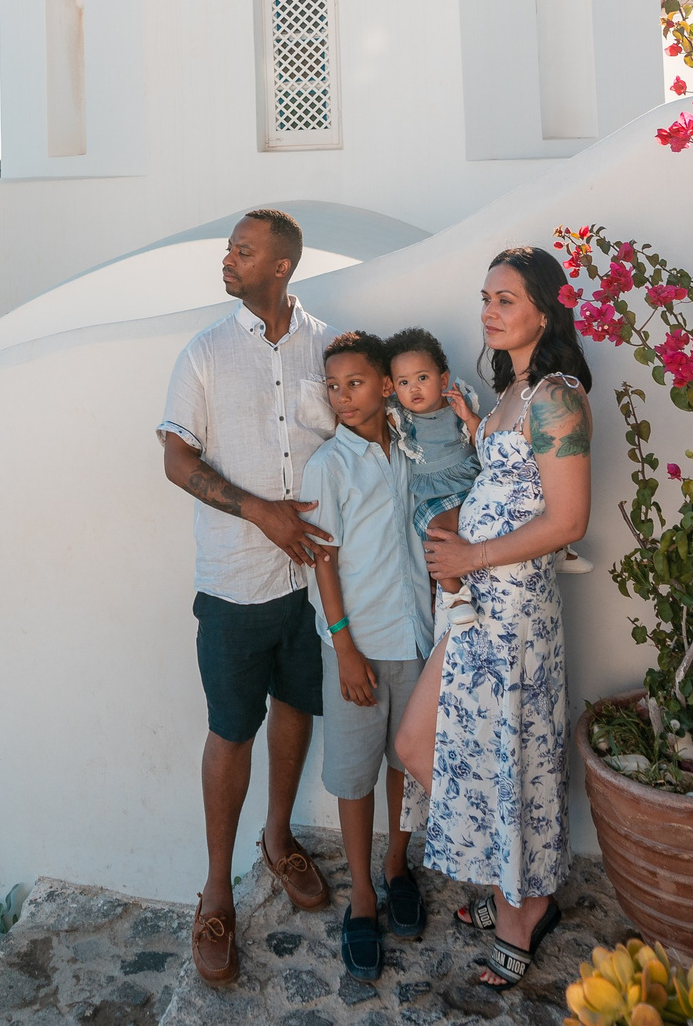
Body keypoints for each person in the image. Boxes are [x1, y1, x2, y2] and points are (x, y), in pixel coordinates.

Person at [395, 245, 593, 993]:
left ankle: (523, 909)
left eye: (506, 298)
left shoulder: (557, 396)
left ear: (546, 308)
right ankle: (511, 881)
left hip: (513, 611)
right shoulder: (513, 391)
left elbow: (567, 518)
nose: (489, 310)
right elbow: (515, 474)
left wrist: (470, 556)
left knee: (509, 760)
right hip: (479, 609)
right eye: (485, 297)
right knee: (423, 744)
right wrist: (477, 431)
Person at [157, 208, 336, 986]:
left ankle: (279, 838)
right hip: (234, 582)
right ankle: (215, 890)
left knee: (297, 707)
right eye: (230, 248)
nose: (227, 259)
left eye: (243, 249)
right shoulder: (204, 352)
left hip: (315, 579)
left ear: (282, 265)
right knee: (232, 728)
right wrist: (257, 508)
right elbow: (173, 455)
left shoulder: (329, 347)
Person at [298, 331, 437, 977]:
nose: (342, 396)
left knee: (406, 761)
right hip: (356, 646)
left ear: (386, 385)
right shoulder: (330, 466)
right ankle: (361, 893)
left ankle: (395, 864)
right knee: (355, 774)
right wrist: (345, 646)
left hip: (415, 638)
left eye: (355, 382)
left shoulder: (412, 446)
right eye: (334, 385)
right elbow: (322, 560)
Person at [384, 328, 482, 624]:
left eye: (422, 378)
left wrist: (469, 417)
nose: (413, 388)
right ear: (392, 387)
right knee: (436, 533)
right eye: (404, 382)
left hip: (472, 480)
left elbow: (484, 442)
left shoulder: (458, 403)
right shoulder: (401, 416)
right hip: (436, 493)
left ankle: (558, 550)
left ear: (442, 379)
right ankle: (455, 595)